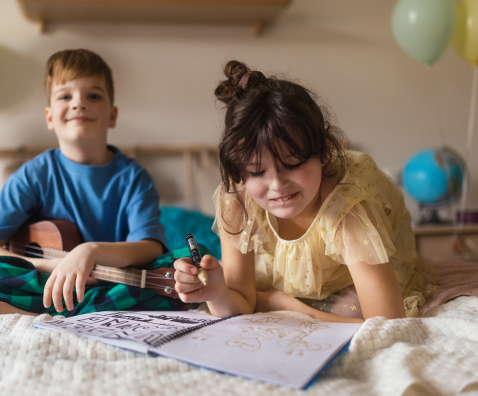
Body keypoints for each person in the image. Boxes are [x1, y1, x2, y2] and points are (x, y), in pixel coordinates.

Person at [173, 60, 437, 323]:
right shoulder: (237, 200)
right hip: (285, 274)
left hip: (350, 275)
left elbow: (387, 321)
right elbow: (241, 300)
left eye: (293, 164)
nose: (277, 185)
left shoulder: (347, 206)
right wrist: (218, 293)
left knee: (351, 309)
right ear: (239, 172)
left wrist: (284, 304)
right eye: (256, 172)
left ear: (323, 152)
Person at [0, 49, 170, 316]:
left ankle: (40, 313)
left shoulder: (133, 178)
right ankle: (90, 314)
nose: (79, 103)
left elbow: (150, 246)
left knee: (183, 268)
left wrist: (90, 251)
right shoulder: (34, 175)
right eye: (65, 96)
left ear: (112, 115)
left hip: (111, 282)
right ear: (49, 117)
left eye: (93, 96)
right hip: (47, 283)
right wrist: (49, 266)